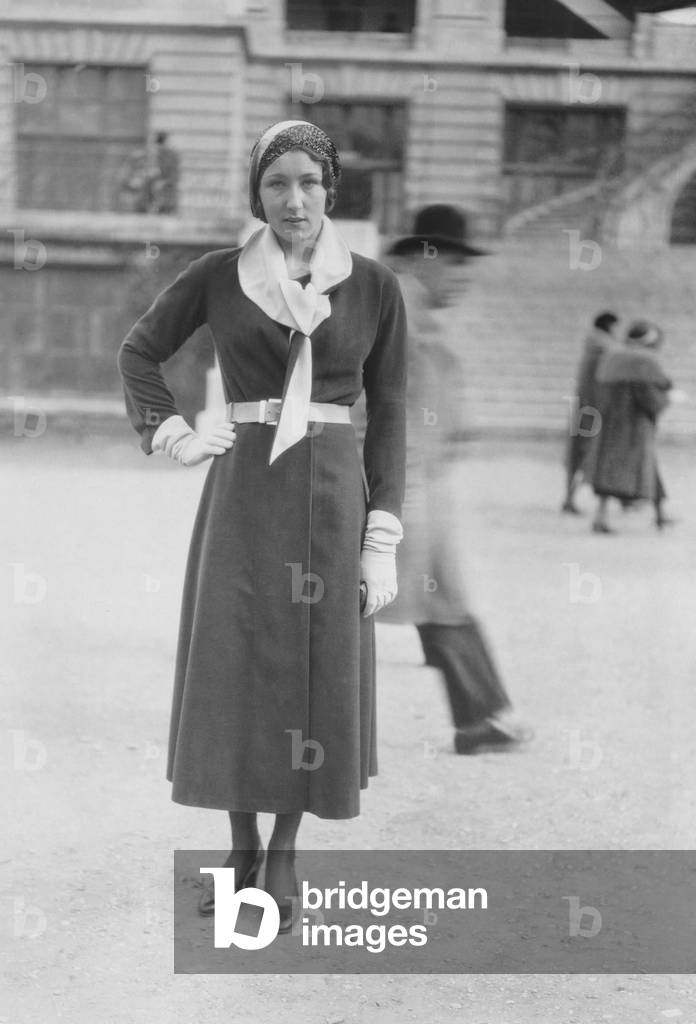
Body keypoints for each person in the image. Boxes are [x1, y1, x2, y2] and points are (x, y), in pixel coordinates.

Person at [117, 120, 407, 929]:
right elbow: (139, 353)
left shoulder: (375, 287)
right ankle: (240, 847)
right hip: (245, 489)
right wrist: (174, 433)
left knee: (314, 667)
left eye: (309, 181)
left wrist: (382, 538)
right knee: (237, 664)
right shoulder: (219, 276)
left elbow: (390, 416)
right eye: (276, 183)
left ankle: (283, 853)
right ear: (258, 195)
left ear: (331, 189)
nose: (294, 199)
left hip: (335, 497)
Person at [382, 204, 531, 755]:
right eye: (455, 261)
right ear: (423, 257)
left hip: (419, 480)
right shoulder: (396, 311)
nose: (464, 275)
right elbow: (370, 409)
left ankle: (483, 716)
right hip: (394, 484)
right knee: (334, 602)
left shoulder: (417, 314)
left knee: (440, 594)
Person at [587, 319, 674, 533]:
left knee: (608, 472)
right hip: (634, 427)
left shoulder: (612, 356)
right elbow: (650, 395)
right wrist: (665, 400)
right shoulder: (642, 360)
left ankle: (603, 516)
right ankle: (658, 515)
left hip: (610, 424)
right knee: (645, 467)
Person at [562, 311, 620, 515]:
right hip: (591, 409)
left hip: (581, 405)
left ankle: (568, 497)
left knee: (577, 453)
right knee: (586, 452)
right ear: (608, 325)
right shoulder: (606, 347)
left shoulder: (592, 344)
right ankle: (570, 499)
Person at [150, 132, 180, 214]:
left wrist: (163, 182)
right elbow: (158, 171)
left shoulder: (172, 156)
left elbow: (175, 175)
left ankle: (164, 208)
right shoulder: (159, 155)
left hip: (169, 187)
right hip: (160, 188)